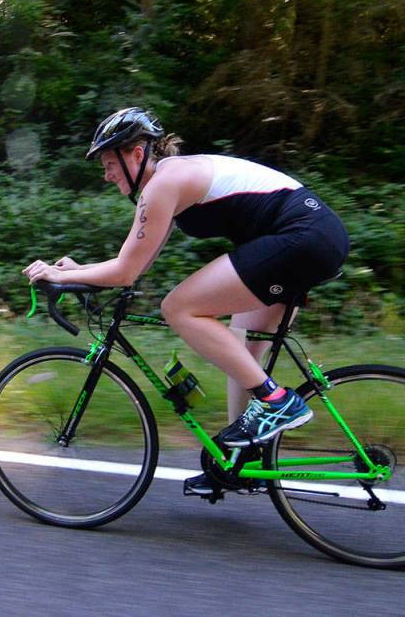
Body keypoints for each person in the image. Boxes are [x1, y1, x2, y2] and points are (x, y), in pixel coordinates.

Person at [23, 107, 349, 495]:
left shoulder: (163, 184)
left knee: (179, 307)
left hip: (302, 237)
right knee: (242, 350)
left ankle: (277, 402)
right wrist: (77, 272)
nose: (106, 174)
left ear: (136, 154)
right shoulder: (171, 180)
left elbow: (125, 273)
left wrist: (61, 275)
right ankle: (241, 463)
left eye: (110, 163)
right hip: (312, 237)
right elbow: (135, 263)